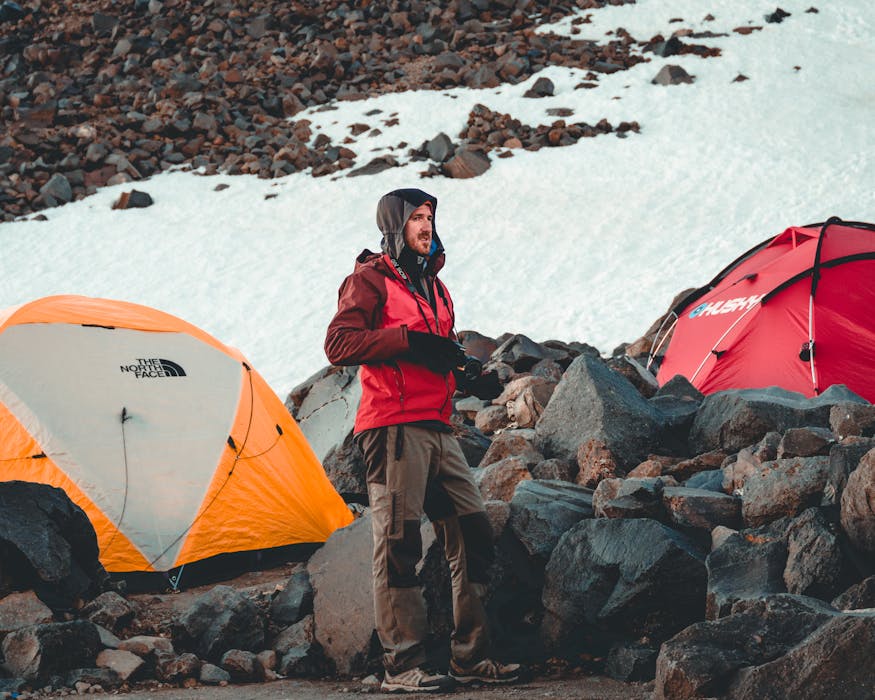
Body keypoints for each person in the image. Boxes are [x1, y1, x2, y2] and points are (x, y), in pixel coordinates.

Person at [325, 188, 520, 693]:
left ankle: (470, 657)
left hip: (438, 427)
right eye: (416, 217)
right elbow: (338, 343)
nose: (426, 224)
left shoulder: (436, 286)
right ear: (395, 225)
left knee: (473, 534)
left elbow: (438, 355)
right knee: (398, 544)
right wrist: (410, 341)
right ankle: (402, 666)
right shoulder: (368, 280)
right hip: (392, 427)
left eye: (430, 216)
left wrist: (469, 376)